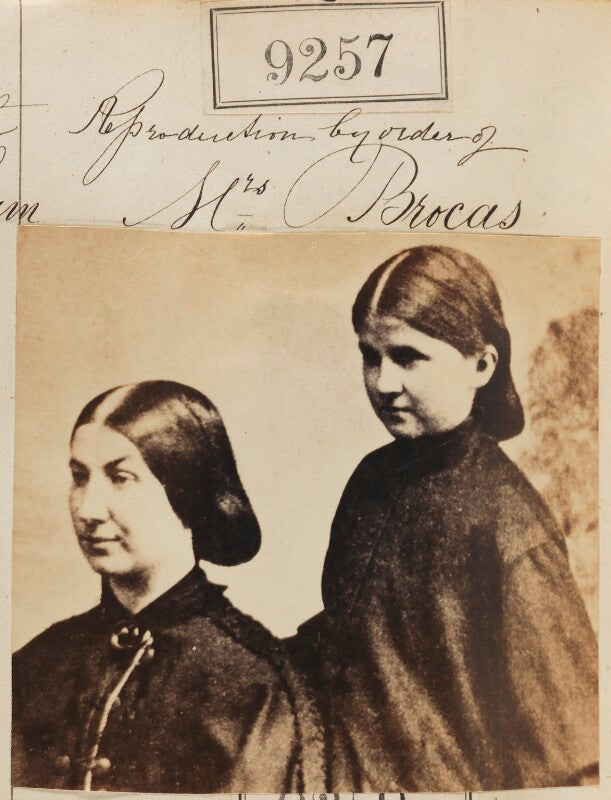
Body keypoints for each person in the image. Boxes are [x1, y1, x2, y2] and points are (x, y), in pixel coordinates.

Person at [296, 246, 598, 791]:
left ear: (481, 365)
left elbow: (570, 755)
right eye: (371, 356)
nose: (383, 382)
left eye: (408, 357)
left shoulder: (508, 524)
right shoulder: (371, 481)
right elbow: (354, 644)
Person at [12, 380, 325, 793]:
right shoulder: (36, 664)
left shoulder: (251, 684)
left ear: (187, 493)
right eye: (79, 476)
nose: (88, 509)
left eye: (120, 477)